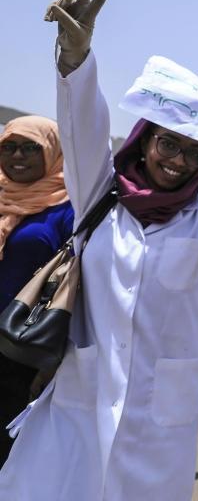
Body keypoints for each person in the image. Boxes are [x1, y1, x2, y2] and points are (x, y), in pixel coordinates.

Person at [0, 0, 198, 501]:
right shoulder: (99, 194)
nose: (178, 161)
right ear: (144, 139)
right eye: (168, 145)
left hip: (159, 418)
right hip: (81, 399)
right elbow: (81, 121)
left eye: (195, 152)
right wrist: (77, 60)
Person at [0, 116, 74, 464]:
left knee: (16, 454)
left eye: (32, 147)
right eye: (9, 146)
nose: (18, 155)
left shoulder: (67, 210)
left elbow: (76, 287)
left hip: (23, 351)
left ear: (54, 152)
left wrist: (52, 366)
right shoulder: (3, 198)